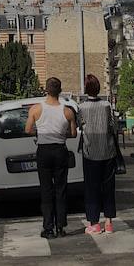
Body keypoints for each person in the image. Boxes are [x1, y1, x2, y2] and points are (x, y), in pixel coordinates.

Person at [25, 76, 78, 239]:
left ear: (46, 90)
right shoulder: (67, 111)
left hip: (44, 150)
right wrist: (60, 134)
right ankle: (60, 226)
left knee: (46, 189)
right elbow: (73, 133)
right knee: (61, 189)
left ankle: (48, 228)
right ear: (60, 91)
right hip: (60, 150)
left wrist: (41, 133)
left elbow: (28, 130)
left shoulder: (35, 109)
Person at [78, 74, 119, 234]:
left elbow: (80, 126)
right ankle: (108, 222)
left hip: (90, 152)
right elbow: (113, 126)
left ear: (86, 88)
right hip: (108, 151)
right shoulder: (106, 105)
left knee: (91, 188)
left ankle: (94, 223)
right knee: (108, 187)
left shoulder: (81, 107)